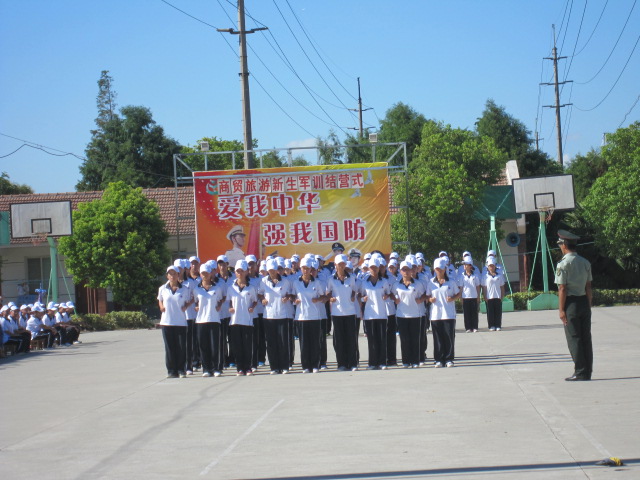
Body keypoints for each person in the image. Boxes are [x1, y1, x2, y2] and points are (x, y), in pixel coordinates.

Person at [554, 229, 593, 381]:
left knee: (574, 338)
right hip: (584, 301)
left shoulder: (563, 264)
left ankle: (580, 371)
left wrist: (561, 310)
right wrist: (588, 304)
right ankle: (587, 370)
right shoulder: (585, 262)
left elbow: (562, 288)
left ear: (564, 245)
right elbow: (588, 286)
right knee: (585, 338)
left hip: (571, 304)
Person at [292, 257, 325, 373]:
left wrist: (318, 299)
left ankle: (315, 365)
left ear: (311, 269)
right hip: (301, 316)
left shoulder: (317, 283)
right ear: (300, 269)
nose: (305, 271)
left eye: (307, 268)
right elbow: (292, 295)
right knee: (304, 343)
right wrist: (294, 300)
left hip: (314, 316)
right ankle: (306, 365)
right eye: (303, 268)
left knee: (315, 342)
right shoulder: (296, 283)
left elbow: (323, 296)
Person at [326, 254, 359, 371]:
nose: (341, 266)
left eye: (343, 264)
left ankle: (353, 363)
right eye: (339, 264)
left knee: (351, 339)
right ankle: (341, 363)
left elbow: (354, 290)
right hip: (337, 312)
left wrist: (352, 296)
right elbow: (327, 293)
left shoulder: (351, 278)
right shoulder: (331, 279)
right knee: (339, 340)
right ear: (335, 265)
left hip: (350, 312)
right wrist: (330, 298)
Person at [393, 260, 428, 368]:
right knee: (404, 339)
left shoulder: (418, 284)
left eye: (407, 269)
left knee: (415, 339)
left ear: (411, 270)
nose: (406, 272)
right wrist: (395, 299)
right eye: (403, 270)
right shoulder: (396, 285)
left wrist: (421, 300)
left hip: (415, 315)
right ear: (400, 271)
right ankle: (406, 361)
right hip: (402, 315)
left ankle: (415, 361)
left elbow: (425, 294)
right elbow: (391, 294)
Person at [359, 256, 392, 370]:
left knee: (382, 339)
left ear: (379, 268)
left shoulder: (384, 281)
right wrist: (364, 299)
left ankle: (382, 362)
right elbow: (360, 296)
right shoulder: (364, 282)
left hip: (382, 314)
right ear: (368, 268)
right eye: (371, 267)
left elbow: (388, 293)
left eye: (375, 267)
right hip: (369, 314)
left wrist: (386, 296)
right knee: (372, 340)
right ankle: (372, 363)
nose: (373, 269)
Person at [194, 263, 226, 377]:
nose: (205, 276)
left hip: (214, 319)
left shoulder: (217, 288)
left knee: (215, 345)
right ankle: (206, 369)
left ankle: (216, 368)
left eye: (206, 273)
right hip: (201, 320)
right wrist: (196, 306)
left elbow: (222, 298)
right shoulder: (196, 289)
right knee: (203, 346)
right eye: (203, 273)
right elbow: (195, 301)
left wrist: (219, 305)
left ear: (210, 274)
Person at [227, 260, 258, 376]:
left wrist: (252, 307)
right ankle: (240, 368)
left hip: (247, 320)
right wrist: (230, 307)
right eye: (237, 271)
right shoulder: (231, 288)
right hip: (235, 320)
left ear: (246, 272)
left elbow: (255, 301)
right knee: (237, 346)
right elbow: (230, 301)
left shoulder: (251, 288)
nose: (239, 273)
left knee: (247, 345)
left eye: (241, 271)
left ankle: (248, 367)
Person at [261, 259, 292, 374]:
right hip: (269, 315)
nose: (272, 272)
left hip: (282, 314)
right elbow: (260, 294)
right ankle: (274, 367)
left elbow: (290, 293)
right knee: (271, 342)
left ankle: (284, 366)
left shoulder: (285, 281)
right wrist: (262, 299)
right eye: (270, 270)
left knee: (283, 342)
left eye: (274, 270)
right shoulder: (264, 281)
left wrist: (287, 297)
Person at [158, 265, 190, 378]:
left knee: (181, 347)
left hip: (180, 322)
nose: (172, 276)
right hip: (167, 322)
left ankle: (181, 370)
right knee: (170, 347)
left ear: (178, 275)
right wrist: (161, 306)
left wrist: (186, 306)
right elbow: (160, 299)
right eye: (170, 274)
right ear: (167, 276)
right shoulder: (162, 288)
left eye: (174, 273)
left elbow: (191, 299)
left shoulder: (184, 289)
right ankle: (171, 370)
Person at [429, 257, 461, 368]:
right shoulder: (431, 283)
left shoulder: (451, 282)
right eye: (437, 269)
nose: (439, 271)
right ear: (434, 269)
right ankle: (438, 359)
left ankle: (449, 359)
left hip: (448, 314)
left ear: (445, 269)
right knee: (437, 338)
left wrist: (453, 298)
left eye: (441, 269)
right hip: (435, 314)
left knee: (449, 337)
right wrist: (430, 300)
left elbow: (458, 293)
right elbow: (428, 295)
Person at [458, 257, 481, 332]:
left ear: (470, 266)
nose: (464, 266)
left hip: (474, 296)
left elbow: (477, 287)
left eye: (466, 264)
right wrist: (460, 297)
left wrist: (478, 296)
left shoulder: (475, 276)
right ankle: (468, 327)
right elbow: (461, 287)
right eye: (464, 264)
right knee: (467, 313)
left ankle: (475, 327)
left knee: (474, 313)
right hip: (465, 297)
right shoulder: (462, 276)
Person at [482, 258, 505, 331]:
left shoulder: (499, 276)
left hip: (497, 296)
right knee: (490, 312)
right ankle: (491, 325)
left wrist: (502, 295)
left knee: (498, 312)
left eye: (492, 266)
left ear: (495, 266)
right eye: (490, 266)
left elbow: (502, 286)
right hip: (489, 297)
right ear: (488, 267)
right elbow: (484, 287)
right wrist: (484, 296)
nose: (491, 267)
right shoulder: (485, 276)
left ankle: (498, 325)